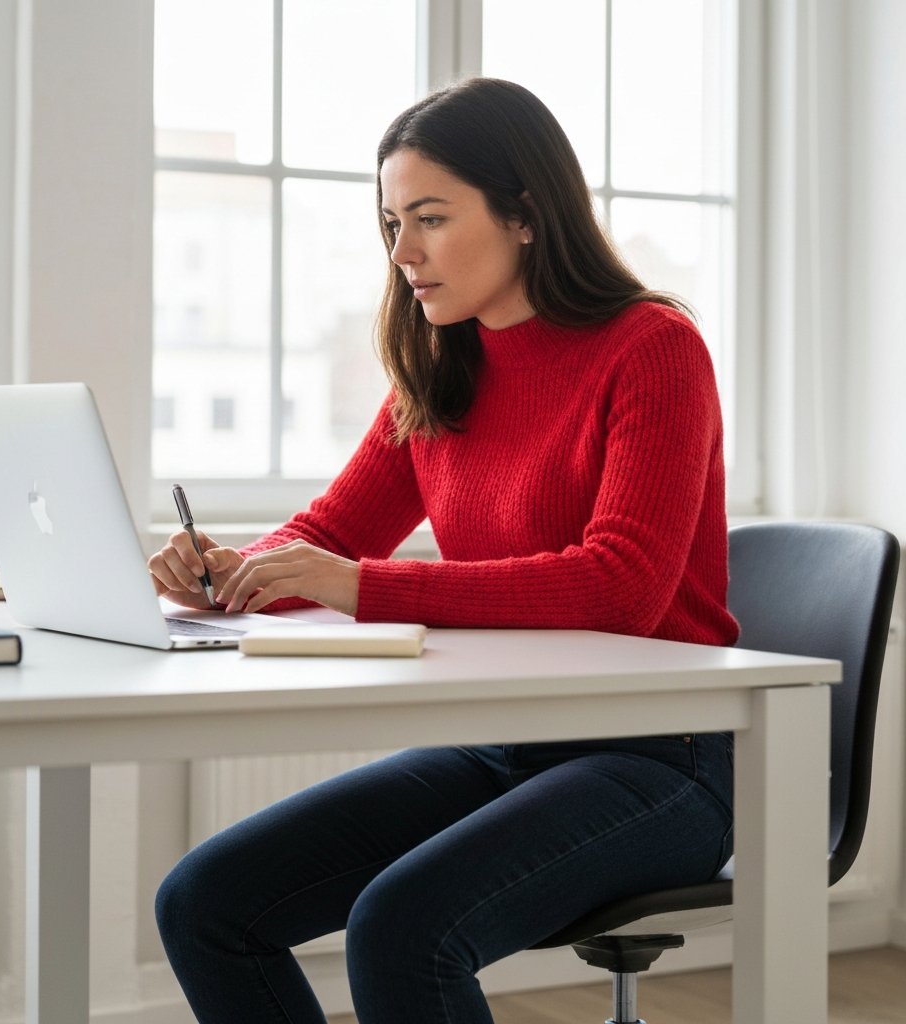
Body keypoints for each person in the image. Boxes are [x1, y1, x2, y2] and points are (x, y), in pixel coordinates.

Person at [149, 77, 738, 1024]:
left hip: (661, 757)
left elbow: (622, 584)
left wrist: (357, 586)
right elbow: (332, 536)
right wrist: (233, 571)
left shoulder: (653, 348)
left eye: (429, 217)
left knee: (402, 926)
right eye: (391, 222)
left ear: (526, 215)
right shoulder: (439, 363)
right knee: (205, 903)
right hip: (504, 741)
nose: (403, 251)